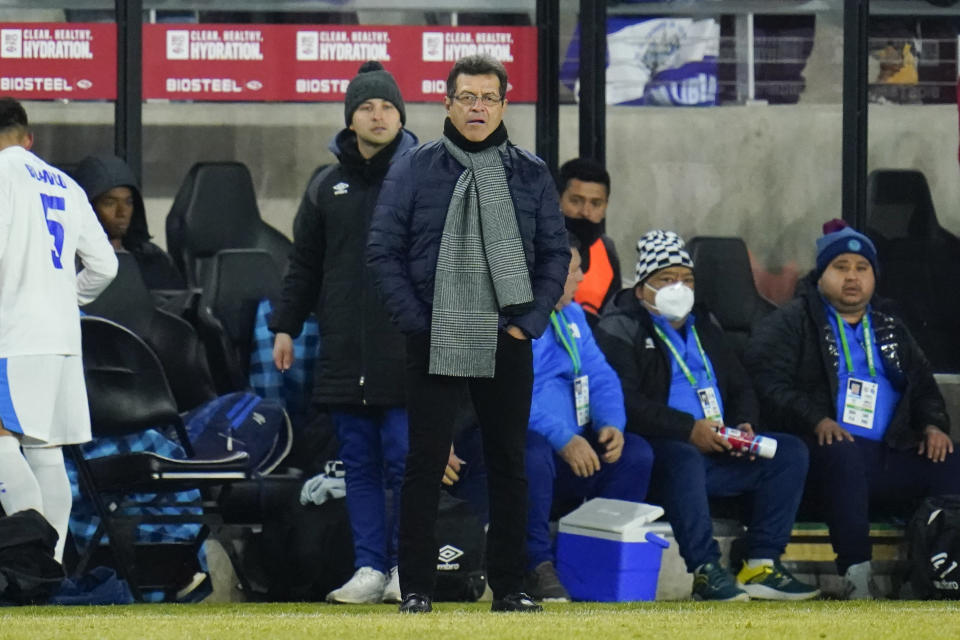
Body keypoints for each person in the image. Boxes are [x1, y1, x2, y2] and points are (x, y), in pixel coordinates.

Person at [367, 54, 570, 613]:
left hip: (509, 334)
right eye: (467, 97)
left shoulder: (530, 171)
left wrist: (529, 323)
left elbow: (555, 253)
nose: (477, 108)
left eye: (488, 98)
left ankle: (510, 587)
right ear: (447, 103)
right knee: (424, 464)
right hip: (435, 333)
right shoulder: (413, 167)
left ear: (504, 105)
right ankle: (416, 589)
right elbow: (382, 251)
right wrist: (418, 322)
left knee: (509, 462)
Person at [594, 230, 819, 602]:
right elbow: (625, 402)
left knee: (788, 452)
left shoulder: (705, 326)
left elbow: (742, 385)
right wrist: (689, 430)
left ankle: (761, 563)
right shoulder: (621, 327)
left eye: (687, 279)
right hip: (667, 452)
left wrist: (744, 425)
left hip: (720, 446)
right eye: (667, 280)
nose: (678, 288)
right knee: (683, 457)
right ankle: (705, 569)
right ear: (641, 289)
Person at [744, 219, 960, 599]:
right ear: (821, 274)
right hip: (822, 456)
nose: (852, 278)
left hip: (888, 452)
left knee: (952, 461)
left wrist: (932, 424)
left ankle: (936, 570)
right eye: (840, 268)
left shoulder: (890, 326)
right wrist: (816, 419)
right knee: (843, 453)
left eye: (862, 269)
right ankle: (855, 575)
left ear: (874, 278)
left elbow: (923, 386)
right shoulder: (792, 322)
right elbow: (766, 382)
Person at [268, 61, 418, 605]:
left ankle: (408, 566)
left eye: (387, 107)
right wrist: (285, 326)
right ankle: (370, 569)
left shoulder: (424, 178)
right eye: (366, 107)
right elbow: (303, 266)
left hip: (404, 349)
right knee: (357, 462)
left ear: (401, 115)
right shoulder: (326, 186)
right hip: (343, 352)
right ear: (350, 119)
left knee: (405, 460)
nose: (378, 116)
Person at [0, 97, 117, 563]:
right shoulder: (64, 182)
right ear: (29, 137)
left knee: (3, 439)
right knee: (45, 451)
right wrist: (64, 298)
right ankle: (50, 569)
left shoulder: (2, 173)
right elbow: (105, 266)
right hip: (63, 338)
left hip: (13, 333)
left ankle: (31, 562)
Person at [524, 233, 653, 602]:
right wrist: (563, 438)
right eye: (574, 270)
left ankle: (597, 561)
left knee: (635, 455)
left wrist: (611, 422)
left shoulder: (572, 314)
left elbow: (600, 376)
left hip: (577, 444)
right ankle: (537, 565)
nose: (581, 279)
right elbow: (508, 397)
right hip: (534, 444)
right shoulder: (513, 320)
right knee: (530, 452)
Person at [72, 153, 185, 291]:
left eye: (128, 202)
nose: (122, 212)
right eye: (109, 203)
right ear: (88, 206)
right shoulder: (66, 261)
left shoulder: (153, 261)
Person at [557, 158, 621, 327]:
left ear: (606, 206)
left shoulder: (607, 251)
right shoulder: (535, 247)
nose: (585, 212)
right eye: (576, 201)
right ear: (558, 199)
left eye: (596, 203)